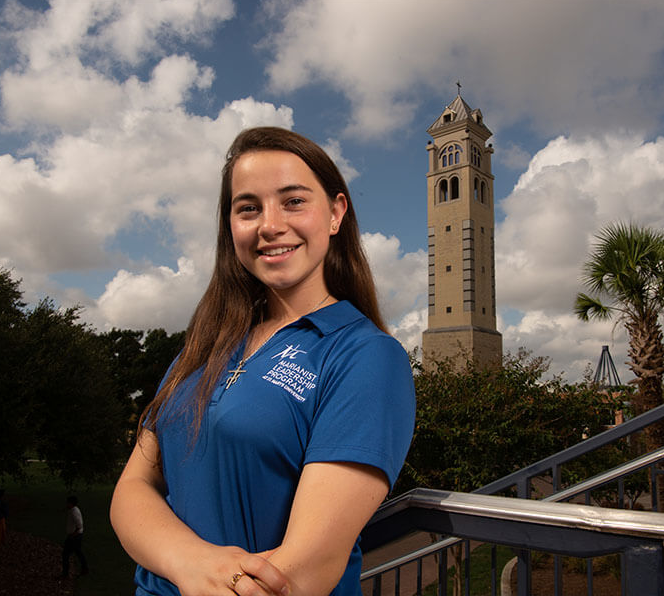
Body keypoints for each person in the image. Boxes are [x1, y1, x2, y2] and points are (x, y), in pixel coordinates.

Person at [110, 127, 416, 596]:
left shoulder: (366, 356)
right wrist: (191, 563)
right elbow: (133, 489)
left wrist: (207, 575)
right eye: (248, 207)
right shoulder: (202, 348)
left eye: (294, 201)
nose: (269, 225)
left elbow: (301, 572)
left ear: (335, 214)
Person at [62, 495, 89, 578]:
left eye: (68, 503)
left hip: (74, 536)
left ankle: (65, 573)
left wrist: (73, 535)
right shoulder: (73, 511)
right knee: (78, 552)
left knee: (65, 554)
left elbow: (79, 525)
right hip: (75, 536)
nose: (66, 504)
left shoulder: (74, 512)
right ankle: (84, 569)